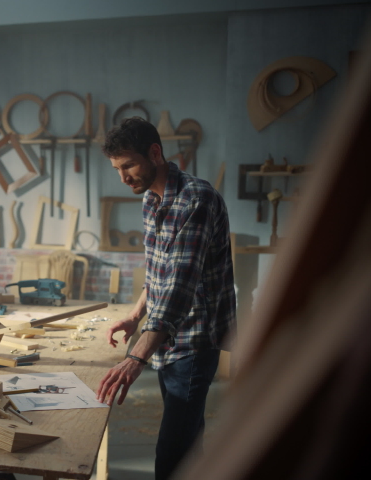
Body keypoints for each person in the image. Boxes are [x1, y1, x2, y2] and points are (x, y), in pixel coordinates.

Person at [94, 117, 236, 480]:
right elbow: (158, 272)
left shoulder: (195, 200)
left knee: (172, 453)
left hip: (192, 341)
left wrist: (134, 358)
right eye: (117, 169)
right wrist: (134, 315)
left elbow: (179, 289)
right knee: (188, 441)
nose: (123, 177)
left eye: (129, 165)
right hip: (165, 340)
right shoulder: (151, 200)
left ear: (155, 153)